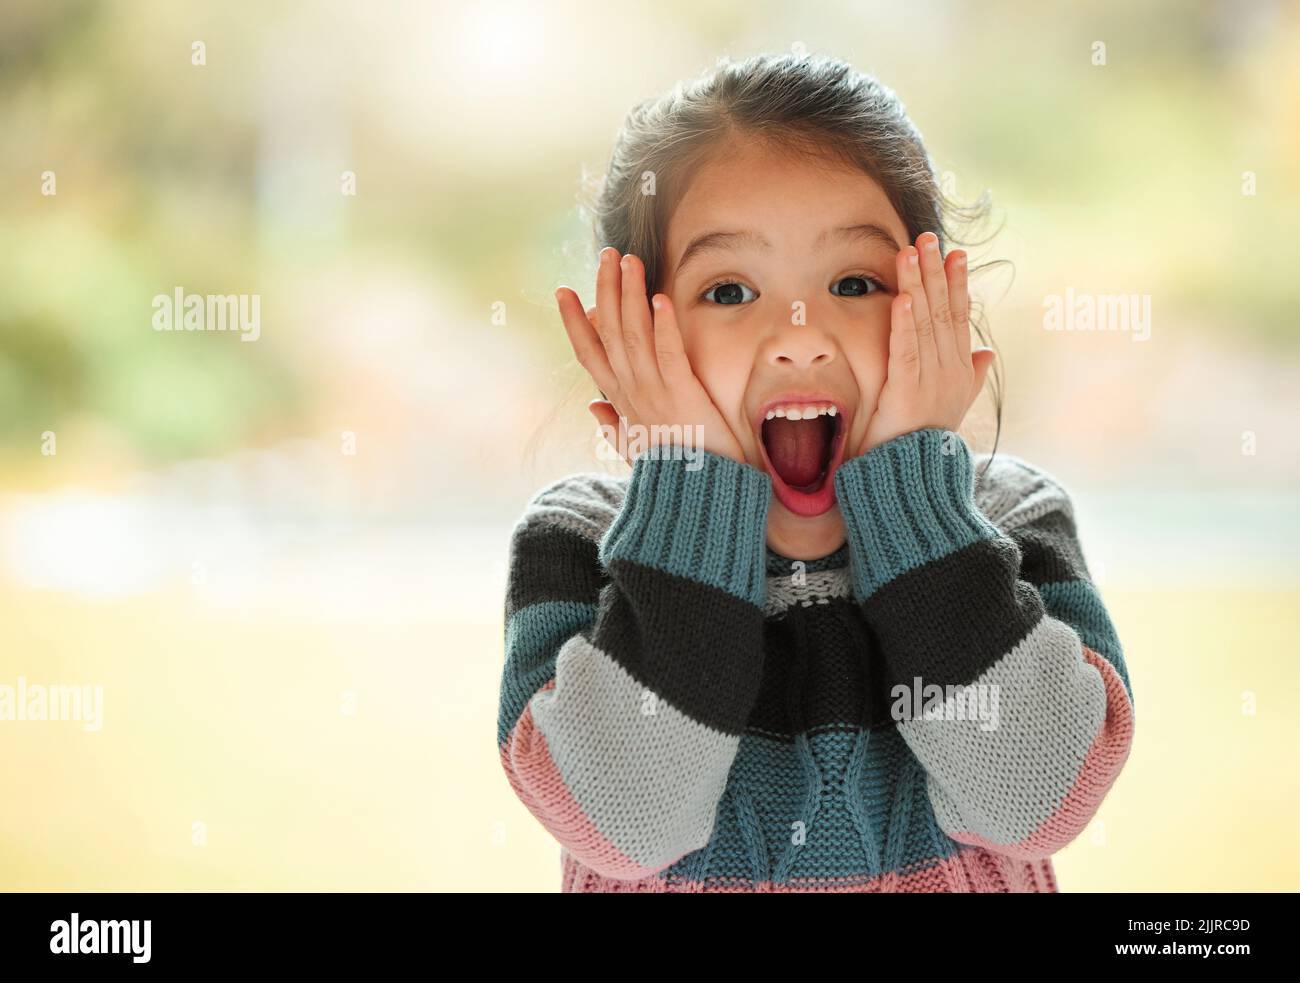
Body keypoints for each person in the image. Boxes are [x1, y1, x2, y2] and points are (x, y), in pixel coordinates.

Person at [497, 51, 1134, 892]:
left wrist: (913, 501)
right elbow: (628, 819)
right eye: (729, 291)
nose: (800, 333)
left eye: (854, 281)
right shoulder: (577, 545)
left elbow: (1036, 801)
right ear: (632, 338)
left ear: (937, 309)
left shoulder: (1009, 519)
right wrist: (691, 486)